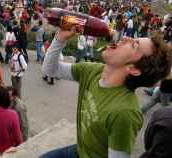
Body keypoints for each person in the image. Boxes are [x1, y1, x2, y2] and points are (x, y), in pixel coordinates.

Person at [41, 25, 172, 158]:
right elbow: (51, 70)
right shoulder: (93, 70)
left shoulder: (125, 113)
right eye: (133, 38)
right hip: (79, 150)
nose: (125, 37)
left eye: (134, 45)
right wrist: (59, 39)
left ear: (134, 69)